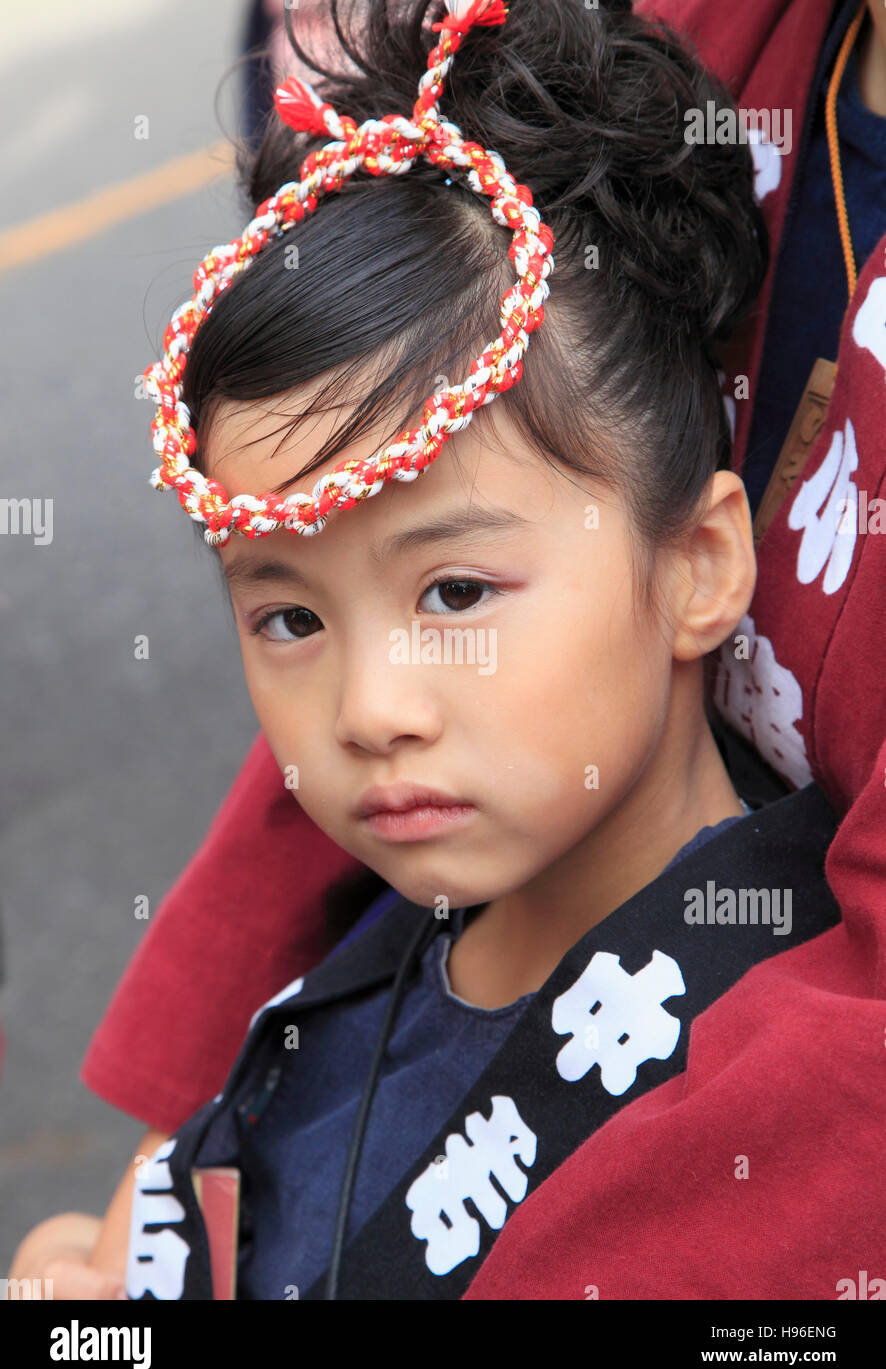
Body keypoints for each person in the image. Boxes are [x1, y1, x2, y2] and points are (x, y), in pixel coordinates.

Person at [11, 0, 886, 1298]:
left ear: (699, 563)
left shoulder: (739, 1088)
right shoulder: (324, 1010)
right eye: (288, 617)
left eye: (460, 592)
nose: (371, 709)